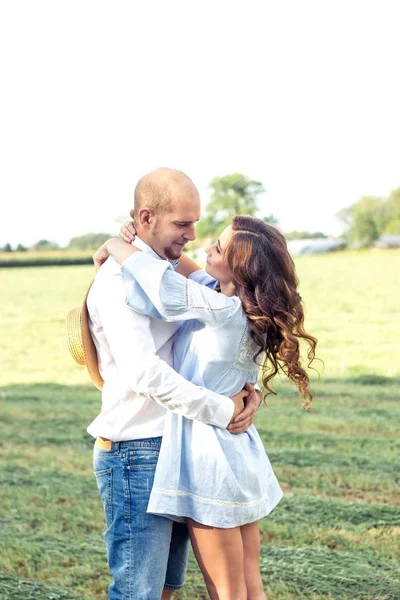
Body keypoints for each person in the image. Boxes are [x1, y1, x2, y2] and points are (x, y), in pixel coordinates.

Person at [93, 215, 318, 600]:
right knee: (250, 584)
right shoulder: (238, 302)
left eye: (218, 246)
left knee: (228, 590)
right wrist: (130, 239)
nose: (205, 247)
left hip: (210, 460)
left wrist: (114, 247)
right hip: (239, 452)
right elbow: (175, 264)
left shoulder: (219, 308)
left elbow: (162, 283)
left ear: (239, 266)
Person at [86, 168, 260, 600]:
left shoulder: (167, 274)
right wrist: (225, 410)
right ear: (145, 217)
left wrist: (249, 390)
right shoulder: (118, 280)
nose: (192, 234)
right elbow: (145, 373)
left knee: (164, 589)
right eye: (182, 224)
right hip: (135, 452)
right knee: (137, 593)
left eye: (196, 222)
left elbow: (223, 325)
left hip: (178, 445)